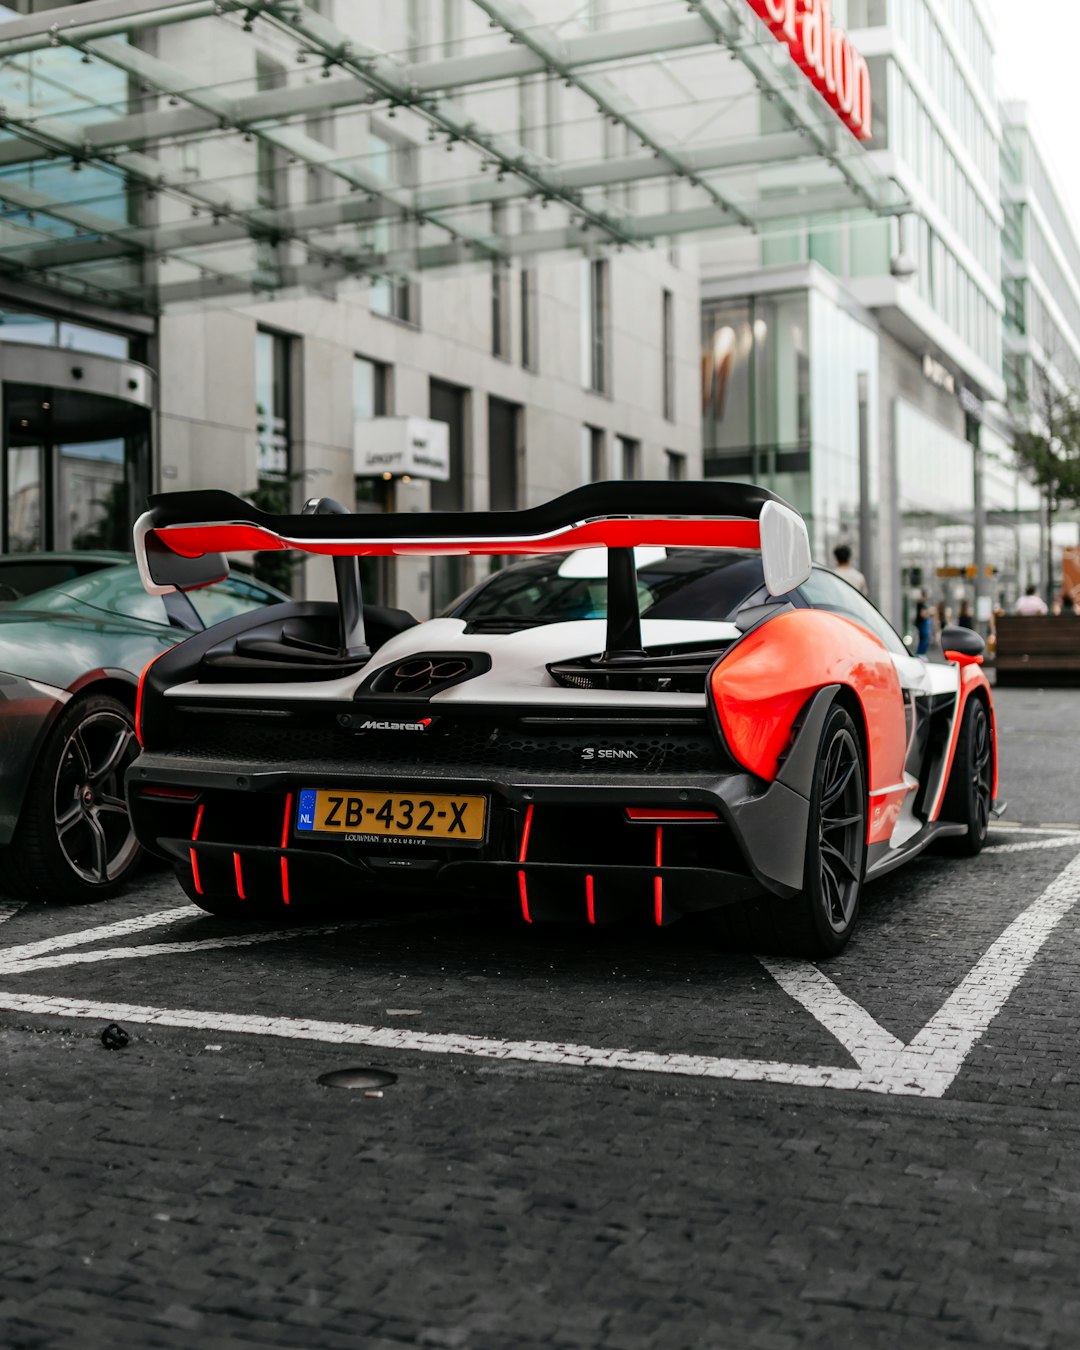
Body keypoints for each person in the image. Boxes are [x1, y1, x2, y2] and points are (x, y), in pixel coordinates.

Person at [914, 591, 932, 658]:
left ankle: (920, 654)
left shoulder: (920, 603)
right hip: (922, 623)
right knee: (924, 639)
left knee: (923, 639)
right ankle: (920, 654)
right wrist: (928, 612)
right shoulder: (922, 603)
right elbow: (922, 614)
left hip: (921, 623)